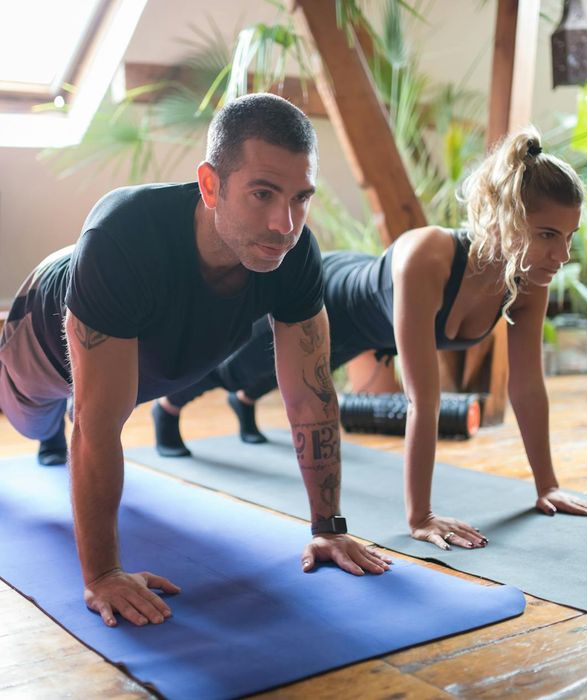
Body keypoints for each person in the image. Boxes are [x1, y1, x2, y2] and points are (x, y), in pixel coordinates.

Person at [0, 93, 391, 629]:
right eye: (263, 193)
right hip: (43, 335)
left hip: (140, 359)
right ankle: (43, 426)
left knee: (93, 403)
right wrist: (103, 574)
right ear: (210, 185)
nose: (285, 223)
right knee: (31, 419)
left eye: (301, 198)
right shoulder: (125, 234)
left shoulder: (293, 253)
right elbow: (96, 426)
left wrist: (328, 525)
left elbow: (311, 397)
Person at [151, 125, 587, 552]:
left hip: (372, 331)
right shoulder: (429, 257)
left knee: (286, 376)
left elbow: (526, 387)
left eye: (567, 237)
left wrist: (549, 486)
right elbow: (422, 401)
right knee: (239, 366)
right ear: (504, 220)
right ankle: (168, 407)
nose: (561, 255)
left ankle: (245, 401)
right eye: (546, 235)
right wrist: (420, 517)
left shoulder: (527, 277)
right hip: (334, 295)